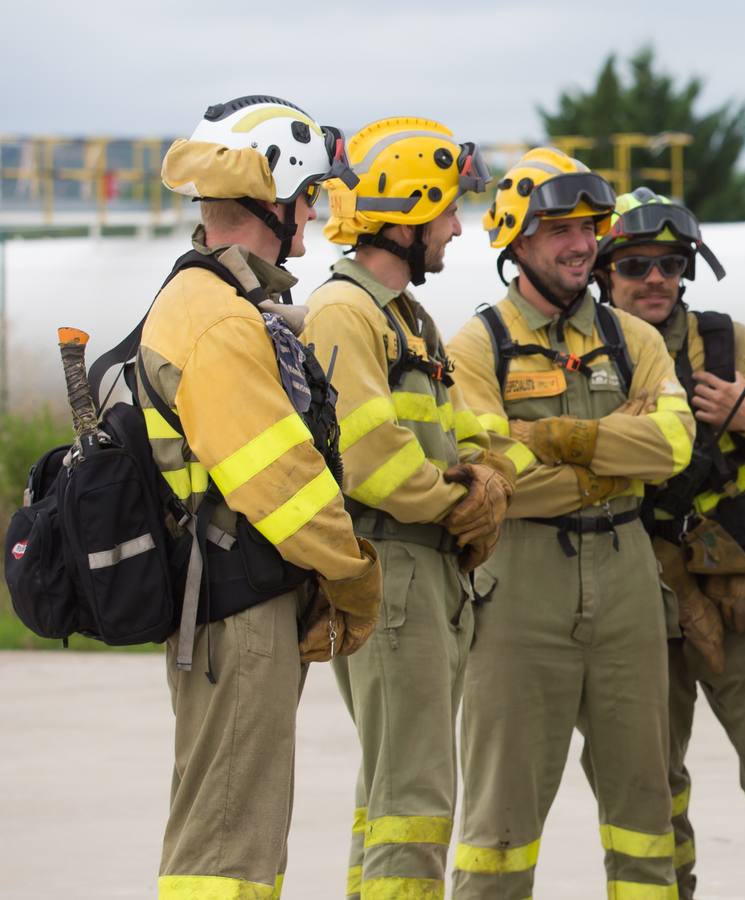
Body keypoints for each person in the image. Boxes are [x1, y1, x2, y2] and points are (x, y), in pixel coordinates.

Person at [149, 95, 380, 898]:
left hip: (232, 604)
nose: (313, 214)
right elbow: (279, 482)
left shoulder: (221, 303)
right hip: (234, 613)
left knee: (237, 834)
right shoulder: (217, 319)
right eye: (307, 196)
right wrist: (352, 572)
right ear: (271, 199)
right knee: (226, 849)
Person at [448, 148, 695, 899]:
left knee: (644, 813)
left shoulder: (635, 340)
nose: (581, 243)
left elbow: (675, 447)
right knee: (499, 824)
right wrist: (618, 454)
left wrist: (555, 439)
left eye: (589, 226)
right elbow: (492, 476)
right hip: (518, 589)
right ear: (515, 240)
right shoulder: (475, 346)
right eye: (558, 228)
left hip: (627, 583)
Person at [594, 188, 745, 899]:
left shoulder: (728, 343)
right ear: (605, 271)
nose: (656, 279)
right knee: (647, 777)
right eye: (636, 264)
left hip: (735, 583)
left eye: (671, 264)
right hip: (632, 589)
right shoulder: (588, 355)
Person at [301, 117, 510, 900]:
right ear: (408, 215)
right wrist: (461, 503)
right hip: (393, 571)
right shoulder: (344, 313)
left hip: (429, 573)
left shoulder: (405, 320)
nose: (458, 227)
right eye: (449, 209)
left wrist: (486, 476)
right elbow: (369, 459)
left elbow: (453, 437)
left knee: (394, 793)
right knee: (413, 801)